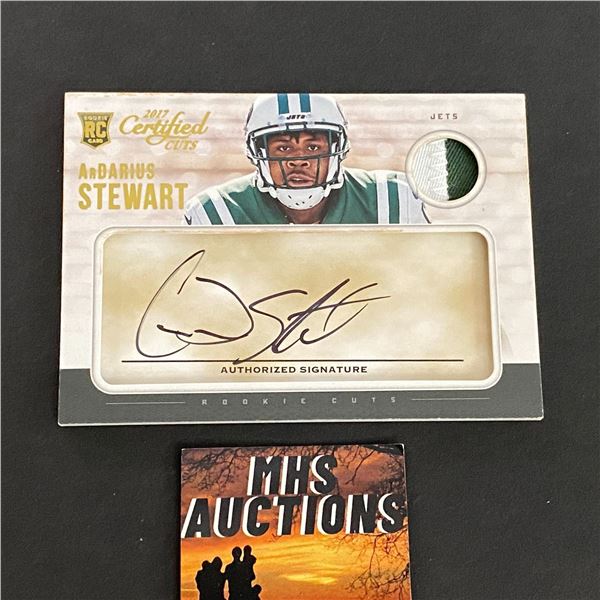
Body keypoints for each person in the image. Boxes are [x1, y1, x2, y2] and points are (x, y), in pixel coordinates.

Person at [184, 93, 429, 226]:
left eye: (312, 146)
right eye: (283, 148)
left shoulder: (392, 200)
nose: (298, 160)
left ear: (338, 148)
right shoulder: (217, 213)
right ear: (258, 153)